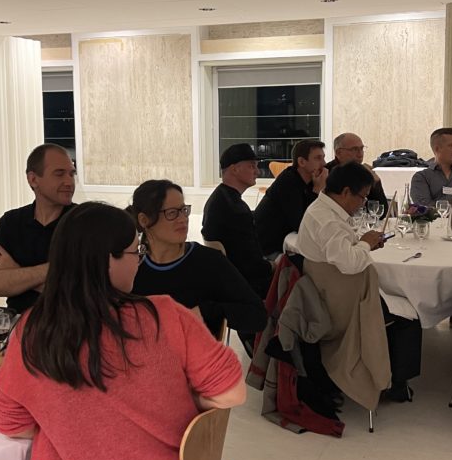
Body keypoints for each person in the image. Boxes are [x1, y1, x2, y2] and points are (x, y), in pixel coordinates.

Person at [0, 203, 245, 460]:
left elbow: (11, 424)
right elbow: (232, 392)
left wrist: (66, 412)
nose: (139, 261)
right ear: (106, 261)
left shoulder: (32, 332)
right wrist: (173, 395)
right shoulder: (164, 314)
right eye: (134, 251)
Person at [297, 162, 422, 402]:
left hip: (328, 291)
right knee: (408, 313)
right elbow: (349, 264)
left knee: (398, 304)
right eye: (362, 197)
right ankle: (392, 383)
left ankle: (389, 377)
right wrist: (364, 243)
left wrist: (364, 243)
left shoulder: (322, 210)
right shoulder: (329, 221)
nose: (363, 203)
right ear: (346, 192)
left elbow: (339, 251)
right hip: (340, 303)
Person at [131, 180, 266, 340]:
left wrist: (208, 311)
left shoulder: (208, 262)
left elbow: (257, 315)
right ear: (144, 220)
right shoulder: (132, 269)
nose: (183, 219)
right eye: (172, 213)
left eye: (184, 210)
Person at [0, 144, 77, 313]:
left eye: (72, 174)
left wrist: (15, 272)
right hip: (18, 321)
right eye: (59, 174)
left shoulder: (84, 222)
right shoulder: (10, 222)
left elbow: (80, 294)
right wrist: (55, 270)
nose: (69, 182)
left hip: (71, 321)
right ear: (33, 179)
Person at [201, 143, 272, 300]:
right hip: (246, 287)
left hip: (232, 280)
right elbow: (251, 263)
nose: (257, 171)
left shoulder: (220, 198)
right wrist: (273, 266)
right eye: (252, 166)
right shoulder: (234, 209)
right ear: (234, 169)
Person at [254, 139, 327, 256]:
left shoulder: (311, 181)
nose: (324, 163)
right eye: (318, 158)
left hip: (288, 244)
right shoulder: (288, 182)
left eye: (323, 158)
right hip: (269, 250)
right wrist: (317, 191)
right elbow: (303, 225)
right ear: (302, 162)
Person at [326, 132, 388, 211]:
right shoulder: (326, 173)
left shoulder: (363, 172)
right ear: (338, 153)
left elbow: (379, 211)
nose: (360, 154)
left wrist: (376, 184)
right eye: (354, 149)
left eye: (362, 148)